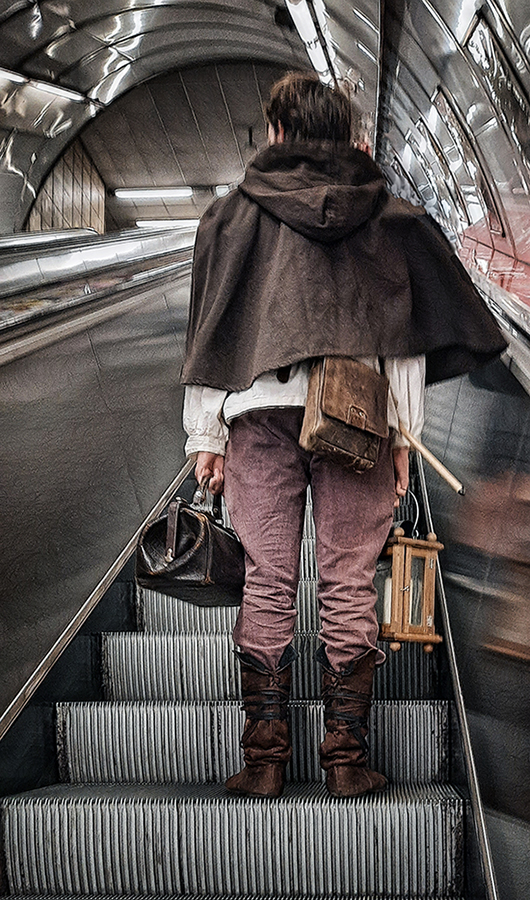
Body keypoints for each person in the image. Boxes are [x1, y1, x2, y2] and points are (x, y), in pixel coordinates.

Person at [180, 71, 507, 799]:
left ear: (279, 133)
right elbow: (402, 340)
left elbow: (209, 329)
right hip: (359, 413)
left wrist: (204, 433)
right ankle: (346, 763)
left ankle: (264, 763)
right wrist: (404, 437)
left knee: (266, 580)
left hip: (259, 417)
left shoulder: (233, 216)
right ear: (341, 133)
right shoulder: (385, 213)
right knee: (348, 581)